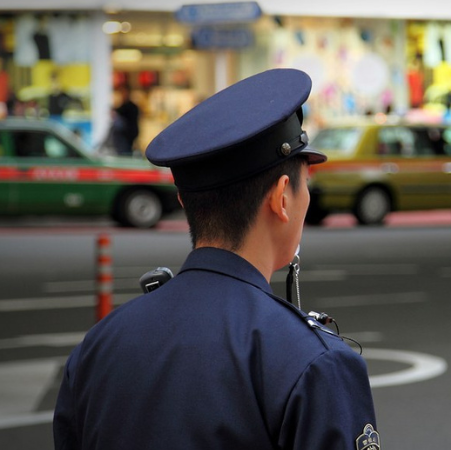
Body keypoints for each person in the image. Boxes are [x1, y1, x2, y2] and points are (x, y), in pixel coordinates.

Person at [53, 69, 380, 450]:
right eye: (306, 183)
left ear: (183, 201)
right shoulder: (313, 362)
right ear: (282, 197)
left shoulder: (100, 346)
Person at [112, 84, 140, 156]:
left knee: (125, 153)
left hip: (127, 135)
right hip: (128, 135)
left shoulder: (129, 107)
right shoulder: (127, 107)